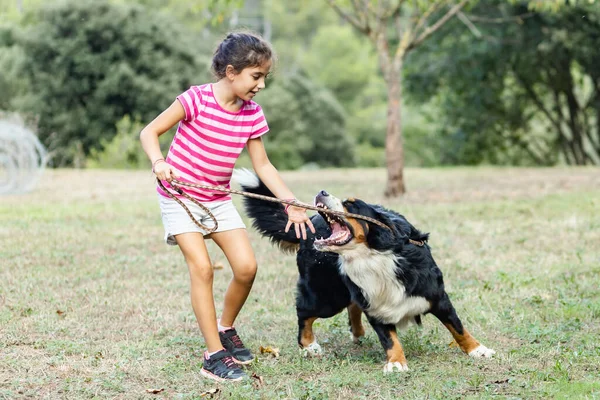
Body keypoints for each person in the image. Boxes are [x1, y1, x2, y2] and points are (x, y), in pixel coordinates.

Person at [139, 31, 315, 382]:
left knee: (247, 268)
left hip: (217, 198)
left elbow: (263, 165)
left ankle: (225, 327)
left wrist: (291, 204)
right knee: (202, 269)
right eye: (256, 76)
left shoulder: (252, 114)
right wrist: (159, 162)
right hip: (180, 196)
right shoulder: (195, 99)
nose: (261, 85)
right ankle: (213, 356)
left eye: (265, 76)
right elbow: (149, 132)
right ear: (231, 71)